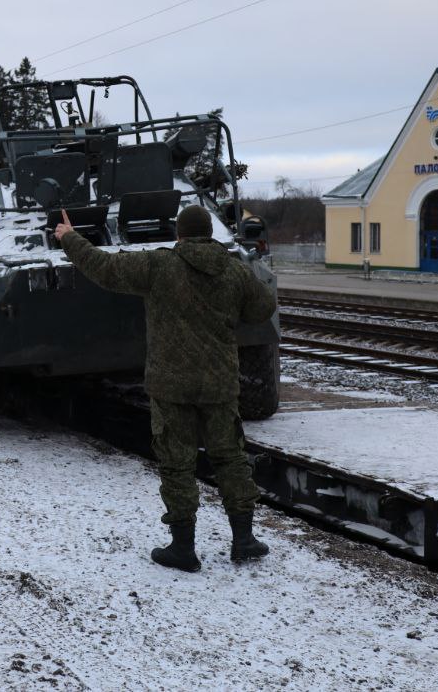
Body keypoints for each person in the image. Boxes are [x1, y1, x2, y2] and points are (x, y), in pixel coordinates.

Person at [54, 204, 277, 572]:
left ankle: (183, 548)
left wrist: (70, 238)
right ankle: (244, 539)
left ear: (180, 234)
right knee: (230, 458)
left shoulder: (159, 265)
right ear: (210, 233)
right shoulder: (233, 269)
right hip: (219, 383)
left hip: (171, 384)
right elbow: (262, 307)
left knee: (177, 464)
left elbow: (103, 268)